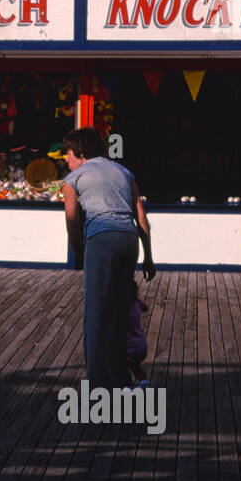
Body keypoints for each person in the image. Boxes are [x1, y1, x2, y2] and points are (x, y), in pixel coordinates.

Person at [62, 128, 156, 389]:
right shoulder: (123, 172)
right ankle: (121, 376)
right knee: (120, 310)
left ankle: (98, 384)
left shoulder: (73, 178)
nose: (65, 160)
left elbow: (72, 221)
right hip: (129, 241)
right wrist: (148, 257)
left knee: (97, 313)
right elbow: (142, 218)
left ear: (80, 153)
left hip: (101, 240)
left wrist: (79, 252)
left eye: (67, 154)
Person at [125, 280, 149, 387]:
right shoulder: (137, 303)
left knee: (122, 367)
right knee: (136, 368)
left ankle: (128, 387)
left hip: (130, 347)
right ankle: (144, 382)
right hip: (141, 344)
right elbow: (145, 308)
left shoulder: (122, 308)